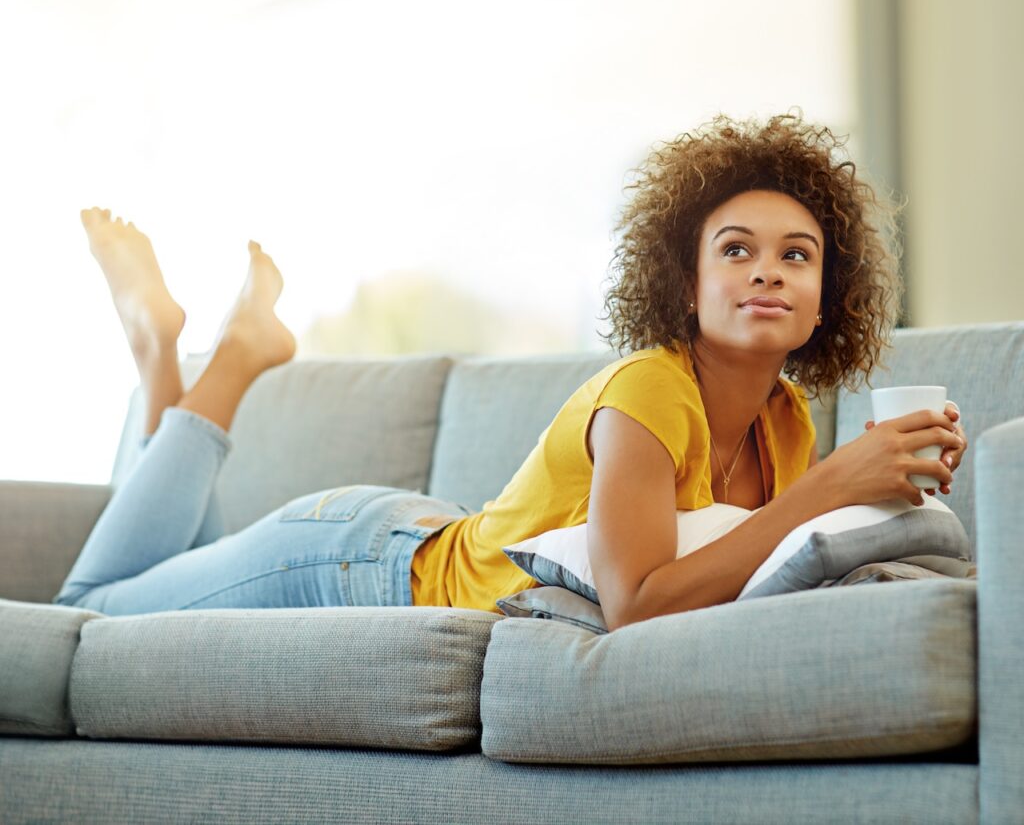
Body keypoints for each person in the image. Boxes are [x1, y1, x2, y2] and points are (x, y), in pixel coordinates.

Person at [54, 112, 969, 628]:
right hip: (353, 560)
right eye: (735, 249)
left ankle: (160, 355)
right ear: (684, 287)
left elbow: (759, 573)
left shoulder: (788, 420)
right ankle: (230, 362)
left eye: (797, 256)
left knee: (161, 575)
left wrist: (885, 498)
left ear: (824, 300)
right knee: (90, 609)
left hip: (427, 532)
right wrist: (833, 487)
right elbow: (638, 604)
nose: (768, 269)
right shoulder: (651, 388)